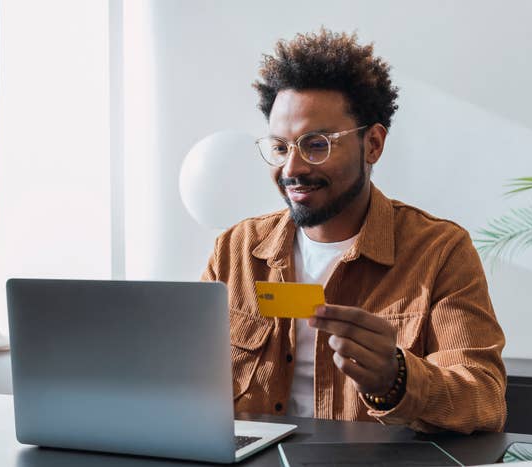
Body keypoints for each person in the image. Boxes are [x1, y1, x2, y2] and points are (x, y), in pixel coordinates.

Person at [201, 29, 506, 434]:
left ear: (373, 144)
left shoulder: (440, 252)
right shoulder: (235, 250)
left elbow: (484, 401)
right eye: (280, 147)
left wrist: (396, 378)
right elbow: (189, 380)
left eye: (316, 145)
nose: (291, 169)